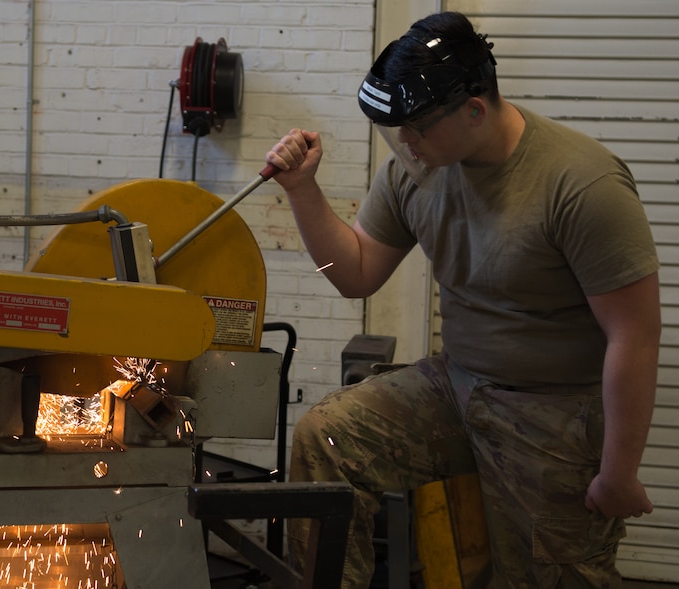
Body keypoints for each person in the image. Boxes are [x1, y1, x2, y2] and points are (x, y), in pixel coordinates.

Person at [265, 10, 660, 589]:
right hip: (458, 384)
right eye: (397, 130)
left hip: (553, 410)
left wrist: (619, 473)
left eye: (418, 129)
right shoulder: (416, 166)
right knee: (326, 437)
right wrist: (302, 192)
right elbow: (350, 275)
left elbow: (636, 334)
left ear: (475, 110)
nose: (405, 143)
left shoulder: (582, 184)